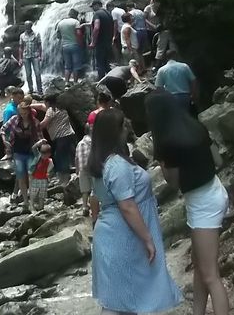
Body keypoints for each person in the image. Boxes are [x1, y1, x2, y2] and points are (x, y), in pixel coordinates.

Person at [88, 109, 182, 315]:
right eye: (123, 125)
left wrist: (96, 222)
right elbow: (127, 206)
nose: (127, 128)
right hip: (122, 236)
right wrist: (148, 239)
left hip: (112, 233)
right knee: (118, 303)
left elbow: (94, 198)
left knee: (123, 299)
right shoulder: (117, 165)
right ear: (115, 131)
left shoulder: (103, 162)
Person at [146, 89, 230, 315]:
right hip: (214, 191)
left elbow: (173, 183)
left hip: (203, 205)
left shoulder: (167, 142)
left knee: (211, 274)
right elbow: (218, 159)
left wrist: (164, 165)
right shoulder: (195, 125)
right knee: (199, 265)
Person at [0, 97, 43, 213]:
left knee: (31, 177)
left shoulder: (35, 123)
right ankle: (25, 201)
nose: (23, 114)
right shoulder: (14, 120)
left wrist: (41, 145)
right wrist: (5, 141)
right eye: (21, 112)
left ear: (29, 111)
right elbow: (3, 129)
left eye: (25, 112)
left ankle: (32, 201)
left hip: (31, 153)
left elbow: (40, 138)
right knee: (20, 177)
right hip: (18, 153)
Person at [40, 93, 76, 188]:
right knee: (66, 156)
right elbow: (40, 106)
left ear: (48, 102)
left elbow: (44, 124)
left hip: (61, 137)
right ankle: (65, 178)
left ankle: (64, 180)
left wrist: (34, 126)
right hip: (70, 135)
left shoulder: (51, 110)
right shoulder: (61, 108)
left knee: (60, 157)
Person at [56, 9, 83, 84]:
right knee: (76, 66)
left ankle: (66, 83)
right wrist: (80, 43)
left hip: (65, 46)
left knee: (67, 66)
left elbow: (58, 36)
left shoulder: (60, 23)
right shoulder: (76, 22)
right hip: (75, 45)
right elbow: (78, 33)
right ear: (75, 15)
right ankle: (75, 82)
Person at [89, 0, 114, 78]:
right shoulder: (108, 14)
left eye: (93, 6)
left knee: (100, 63)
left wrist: (93, 42)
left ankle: (101, 82)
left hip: (100, 42)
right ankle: (114, 77)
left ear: (97, 5)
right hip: (108, 42)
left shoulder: (97, 14)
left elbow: (96, 27)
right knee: (106, 63)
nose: (92, 8)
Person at [27, 140, 53, 212]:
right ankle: (31, 206)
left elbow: (49, 171)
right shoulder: (38, 156)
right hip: (35, 178)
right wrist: (39, 143)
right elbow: (33, 148)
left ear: (49, 154)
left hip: (44, 179)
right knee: (33, 193)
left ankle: (41, 207)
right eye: (42, 153)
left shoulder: (50, 161)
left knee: (42, 193)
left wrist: (49, 176)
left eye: (45, 154)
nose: (43, 155)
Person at [18, 21, 43, 94]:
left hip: (35, 56)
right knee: (28, 74)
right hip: (26, 57)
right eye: (26, 26)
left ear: (31, 26)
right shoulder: (22, 36)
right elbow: (20, 47)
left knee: (37, 73)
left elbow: (39, 45)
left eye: (29, 26)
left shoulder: (36, 34)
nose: (27, 28)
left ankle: (40, 90)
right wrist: (20, 58)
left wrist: (41, 56)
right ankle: (31, 89)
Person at [75, 123, 93, 217]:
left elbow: (76, 158)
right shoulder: (93, 142)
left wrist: (77, 169)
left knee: (85, 190)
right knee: (94, 188)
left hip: (82, 169)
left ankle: (85, 206)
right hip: (92, 168)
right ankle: (95, 207)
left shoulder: (80, 143)